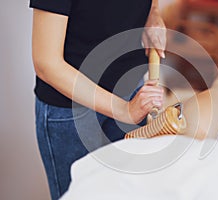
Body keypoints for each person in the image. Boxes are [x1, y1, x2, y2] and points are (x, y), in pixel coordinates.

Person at [30, 0, 166, 199]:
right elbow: (46, 63)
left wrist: (153, 12)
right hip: (72, 113)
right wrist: (123, 110)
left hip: (130, 90)